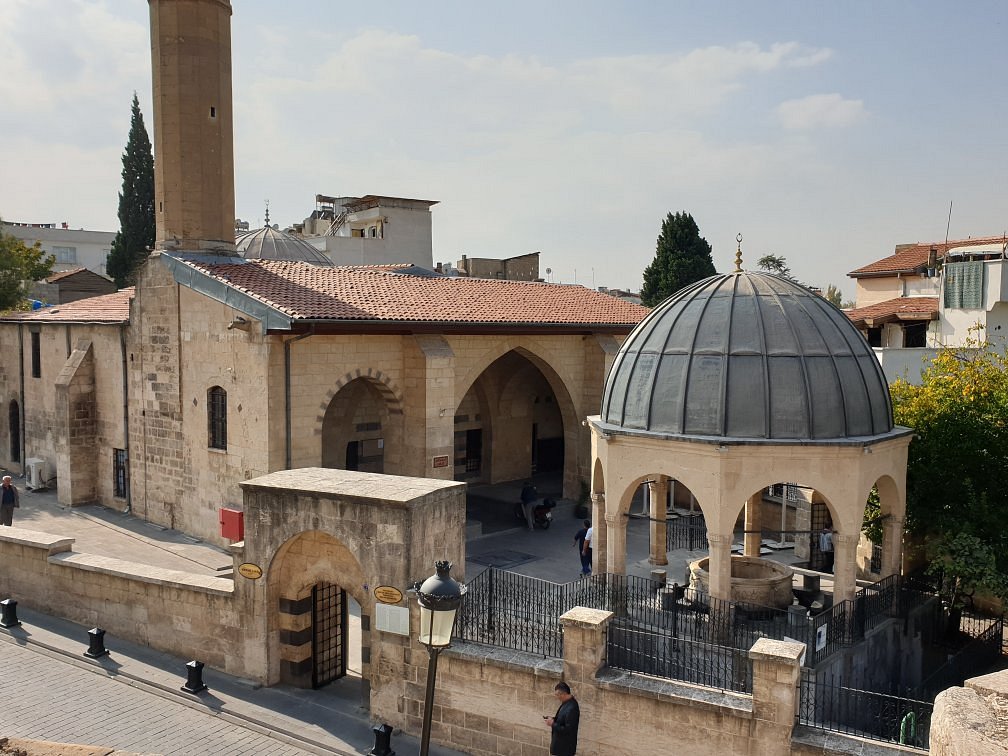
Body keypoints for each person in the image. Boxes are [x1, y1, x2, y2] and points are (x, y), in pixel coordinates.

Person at [544, 681, 580, 755]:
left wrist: (552, 724)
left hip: (565, 749)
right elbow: (563, 720)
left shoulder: (572, 708)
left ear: (563, 694)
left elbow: (567, 730)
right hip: (560, 748)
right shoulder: (566, 703)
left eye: (557, 695)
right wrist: (553, 719)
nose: (557, 697)